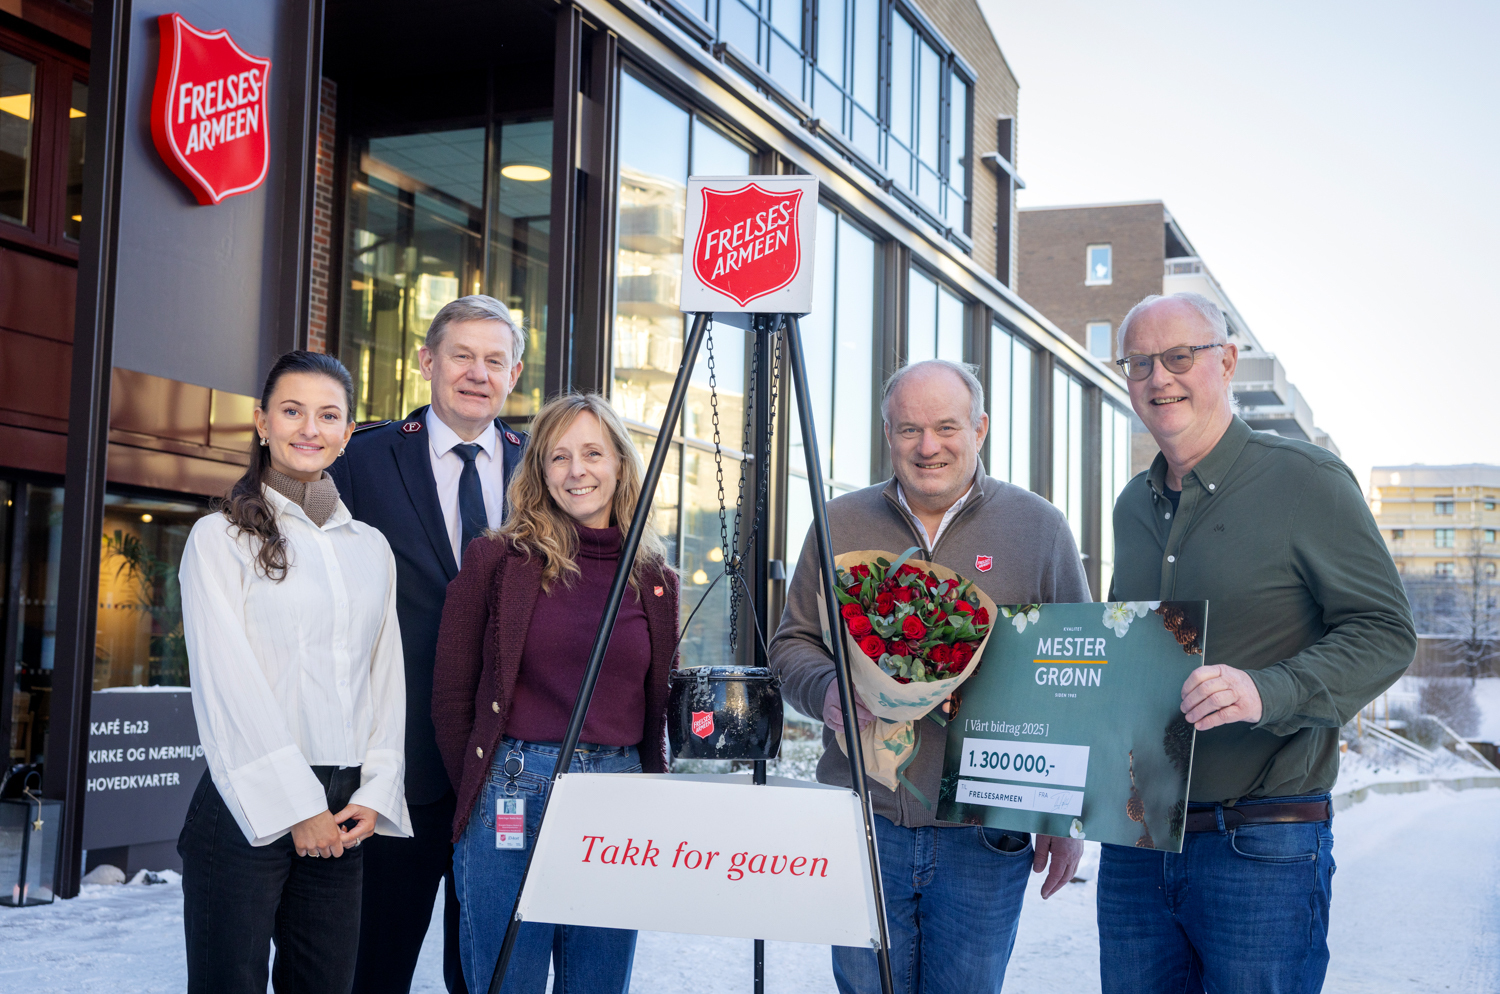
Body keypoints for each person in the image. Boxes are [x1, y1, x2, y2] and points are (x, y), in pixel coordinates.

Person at [1100, 292, 1416, 993]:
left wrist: (1264, 690)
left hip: (1261, 844)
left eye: (1180, 356)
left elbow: (1387, 633)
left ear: (1228, 360)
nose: (1159, 378)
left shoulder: (1309, 482)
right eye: (1140, 362)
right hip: (1140, 842)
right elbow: (1127, 654)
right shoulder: (1132, 506)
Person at [770, 359, 1087, 994]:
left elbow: (1073, 677)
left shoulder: (1040, 528)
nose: (928, 446)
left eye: (946, 427)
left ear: (981, 429)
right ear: (887, 433)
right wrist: (828, 689)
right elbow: (793, 644)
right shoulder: (839, 523)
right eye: (909, 429)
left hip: (985, 830)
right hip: (864, 820)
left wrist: (1065, 817)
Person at [177, 350, 411, 994]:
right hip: (246, 802)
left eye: (328, 415)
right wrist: (299, 807)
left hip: (345, 810)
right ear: (261, 422)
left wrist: (375, 789)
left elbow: (384, 678)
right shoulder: (219, 539)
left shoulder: (371, 548)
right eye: (292, 411)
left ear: (347, 432)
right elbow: (230, 688)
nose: (310, 428)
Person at [432, 393, 680, 994]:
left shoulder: (655, 579)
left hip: (618, 798)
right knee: (505, 981)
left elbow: (655, 700)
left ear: (620, 464)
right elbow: (451, 694)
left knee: (597, 982)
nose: (577, 471)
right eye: (559, 456)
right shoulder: (498, 558)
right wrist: (479, 785)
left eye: (593, 453)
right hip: (513, 790)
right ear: (539, 470)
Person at [329, 295, 529, 994]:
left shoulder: (542, 470)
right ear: (427, 361)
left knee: (485, 974)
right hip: (393, 770)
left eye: (494, 360)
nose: (478, 373)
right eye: (462, 355)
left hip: (507, 771)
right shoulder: (361, 458)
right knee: (371, 967)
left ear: (515, 373)